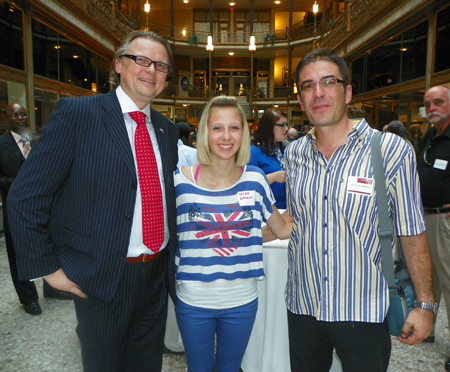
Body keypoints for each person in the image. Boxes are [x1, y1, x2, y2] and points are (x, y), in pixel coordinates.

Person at [7, 30, 178, 372]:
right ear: (118, 64)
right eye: (140, 60)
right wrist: (48, 268)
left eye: (160, 65)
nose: (151, 70)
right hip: (102, 278)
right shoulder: (78, 114)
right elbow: (25, 196)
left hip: (156, 276)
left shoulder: (165, 129)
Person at [282, 48, 434, 372]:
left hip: (362, 309)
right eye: (307, 86)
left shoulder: (390, 150)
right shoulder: (294, 155)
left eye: (328, 82)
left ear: (348, 92)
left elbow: (411, 230)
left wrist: (424, 304)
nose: (318, 92)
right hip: (303, 305)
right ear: (300, 99)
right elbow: (297, 224)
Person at [174, 96, 293, 372]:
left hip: (241, 301)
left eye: (234, 128)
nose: (226, 136)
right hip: (193, 301)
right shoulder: (179, 181)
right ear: (205, 132)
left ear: (244, 132)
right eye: (217, 128)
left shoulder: (255, 179)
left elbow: (281, 228)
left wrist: (315, 213)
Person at [417, 86, 450, 360]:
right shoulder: (429, 136)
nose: (432, 108)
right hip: (424, 216)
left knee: (448, 280)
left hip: (444, 221)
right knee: (430, 278)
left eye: (438, 102)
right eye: (428, 103)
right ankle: (428, 329)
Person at [0, 103, 41, 315]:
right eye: (14, 115)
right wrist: (16, 182)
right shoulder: (1, 144)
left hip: (41, 206)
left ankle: (53, 288)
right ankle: (28, 298)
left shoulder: (36, 140)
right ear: (7, 119)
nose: (20, 118)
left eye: (23, 114)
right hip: (15, 208)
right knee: (18, 254)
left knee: (48, 247)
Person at [249, 108, 288, 209]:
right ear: (269, 127)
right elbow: (247, 185)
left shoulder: (285, 150)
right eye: (282, 125)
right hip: (266, 211)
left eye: (286, 124)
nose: (286, 128)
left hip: (288, 209)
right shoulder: (253, 152)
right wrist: (273, 178)